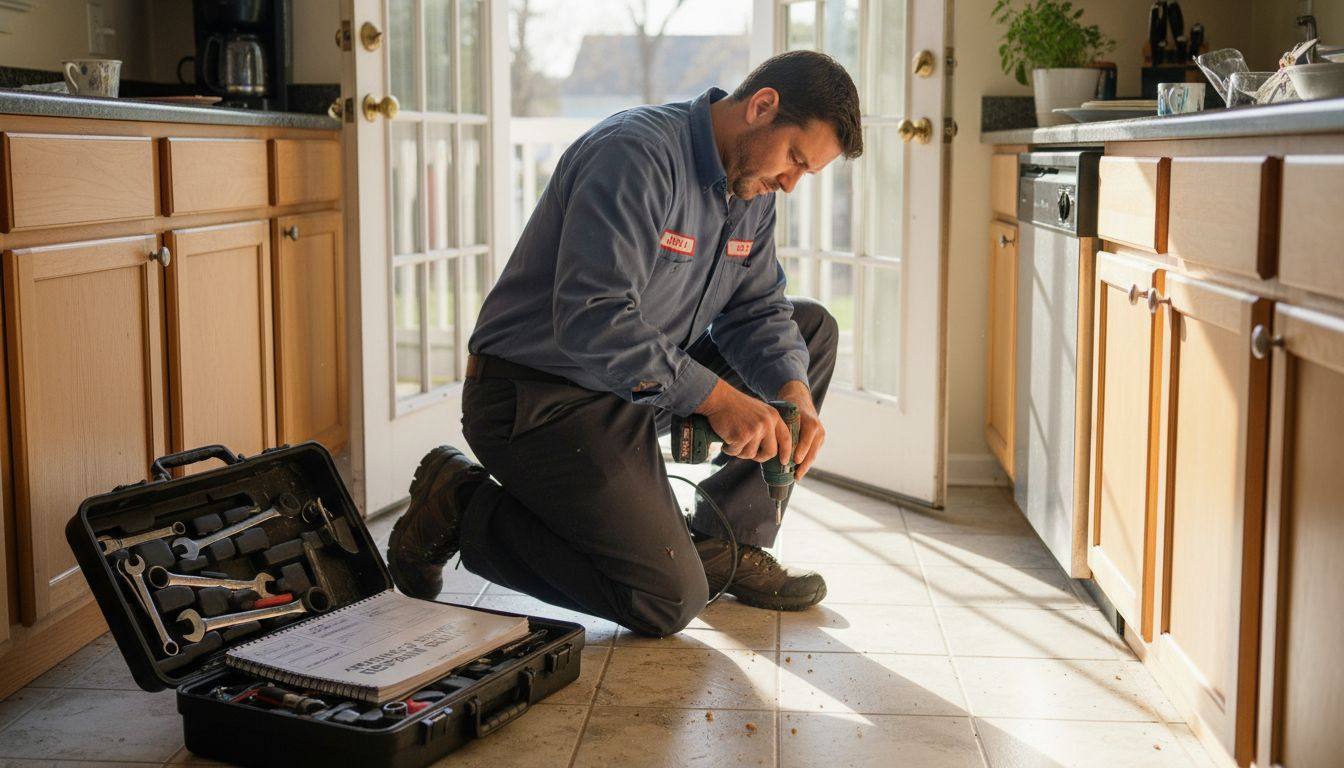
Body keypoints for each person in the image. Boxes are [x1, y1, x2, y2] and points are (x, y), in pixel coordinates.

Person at [387, 50, 863, 637]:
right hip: (540, 400)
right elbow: (594, 318)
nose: (789, 184)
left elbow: (757, 308)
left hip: (637, 391)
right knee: (666, 600)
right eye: (794, 159)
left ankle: (724, 545)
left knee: (810, 329)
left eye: (805, 173)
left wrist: (796, 395)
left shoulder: (752, 193)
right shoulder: (635, 154)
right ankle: (461, 506)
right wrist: (716, 398)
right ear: (762, 106)